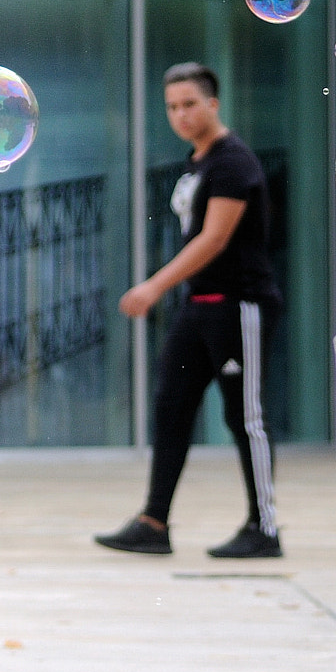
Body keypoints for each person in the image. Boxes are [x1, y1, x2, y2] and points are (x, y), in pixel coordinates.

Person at [96, 62, 283, 560]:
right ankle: (154, 523)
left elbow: (215, 238)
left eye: (189, 104)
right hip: (197, 308)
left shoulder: (233, 162)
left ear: (213, 104)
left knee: (246, 416)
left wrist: (153, 286)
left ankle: (264, 528)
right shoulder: (198, 162)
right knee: (171, 406)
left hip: (237, 305)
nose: (180, 114)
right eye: (172, 107)